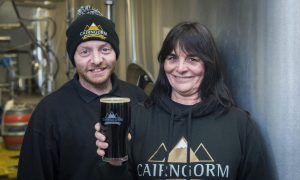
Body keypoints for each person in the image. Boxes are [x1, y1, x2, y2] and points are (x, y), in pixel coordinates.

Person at [95, 22, 273, 179]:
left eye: (192, 59)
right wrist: (114, 164)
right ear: (164, 64)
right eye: (172, 58)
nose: (180, 68)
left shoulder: (239, 125)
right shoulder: (137, 119)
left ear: (208, 66)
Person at [17, 5, 147, 180]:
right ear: (73, 58)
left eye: (105, 49)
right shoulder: (49, 112)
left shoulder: (138, 99)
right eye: (85, 52)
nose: (97, 60)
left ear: (115, 53)